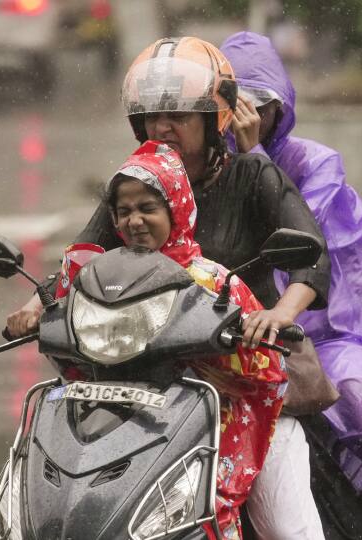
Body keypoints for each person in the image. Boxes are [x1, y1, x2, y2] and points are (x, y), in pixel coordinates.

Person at [8, 36, 327, 539]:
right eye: (153, 117)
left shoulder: (252, 173)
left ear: (214, 116)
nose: (163, 127)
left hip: (245, 372)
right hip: (148, 373)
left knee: (285, 524)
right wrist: (34, 304)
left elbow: (312, 256)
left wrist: (279, 315)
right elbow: (82, 257)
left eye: (179, 114)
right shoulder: (138, 185)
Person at [221, 31, 362, 539]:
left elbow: (304, 242)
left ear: (281, 107)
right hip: (235, 332)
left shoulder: (312, 165)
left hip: (333, 333)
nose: (247, 120)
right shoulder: (199, 165)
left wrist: (253, 157)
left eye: (261, 106)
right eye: (234, 107)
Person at [98, 139, 290, 539]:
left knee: (206, 509)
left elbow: (267, 373)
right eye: (124, 211)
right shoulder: (105, 280)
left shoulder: (214, 281)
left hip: (208, 420)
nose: (134, 221)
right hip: (119, 414)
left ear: (177, 207)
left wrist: (230, 361)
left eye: (147, 208)